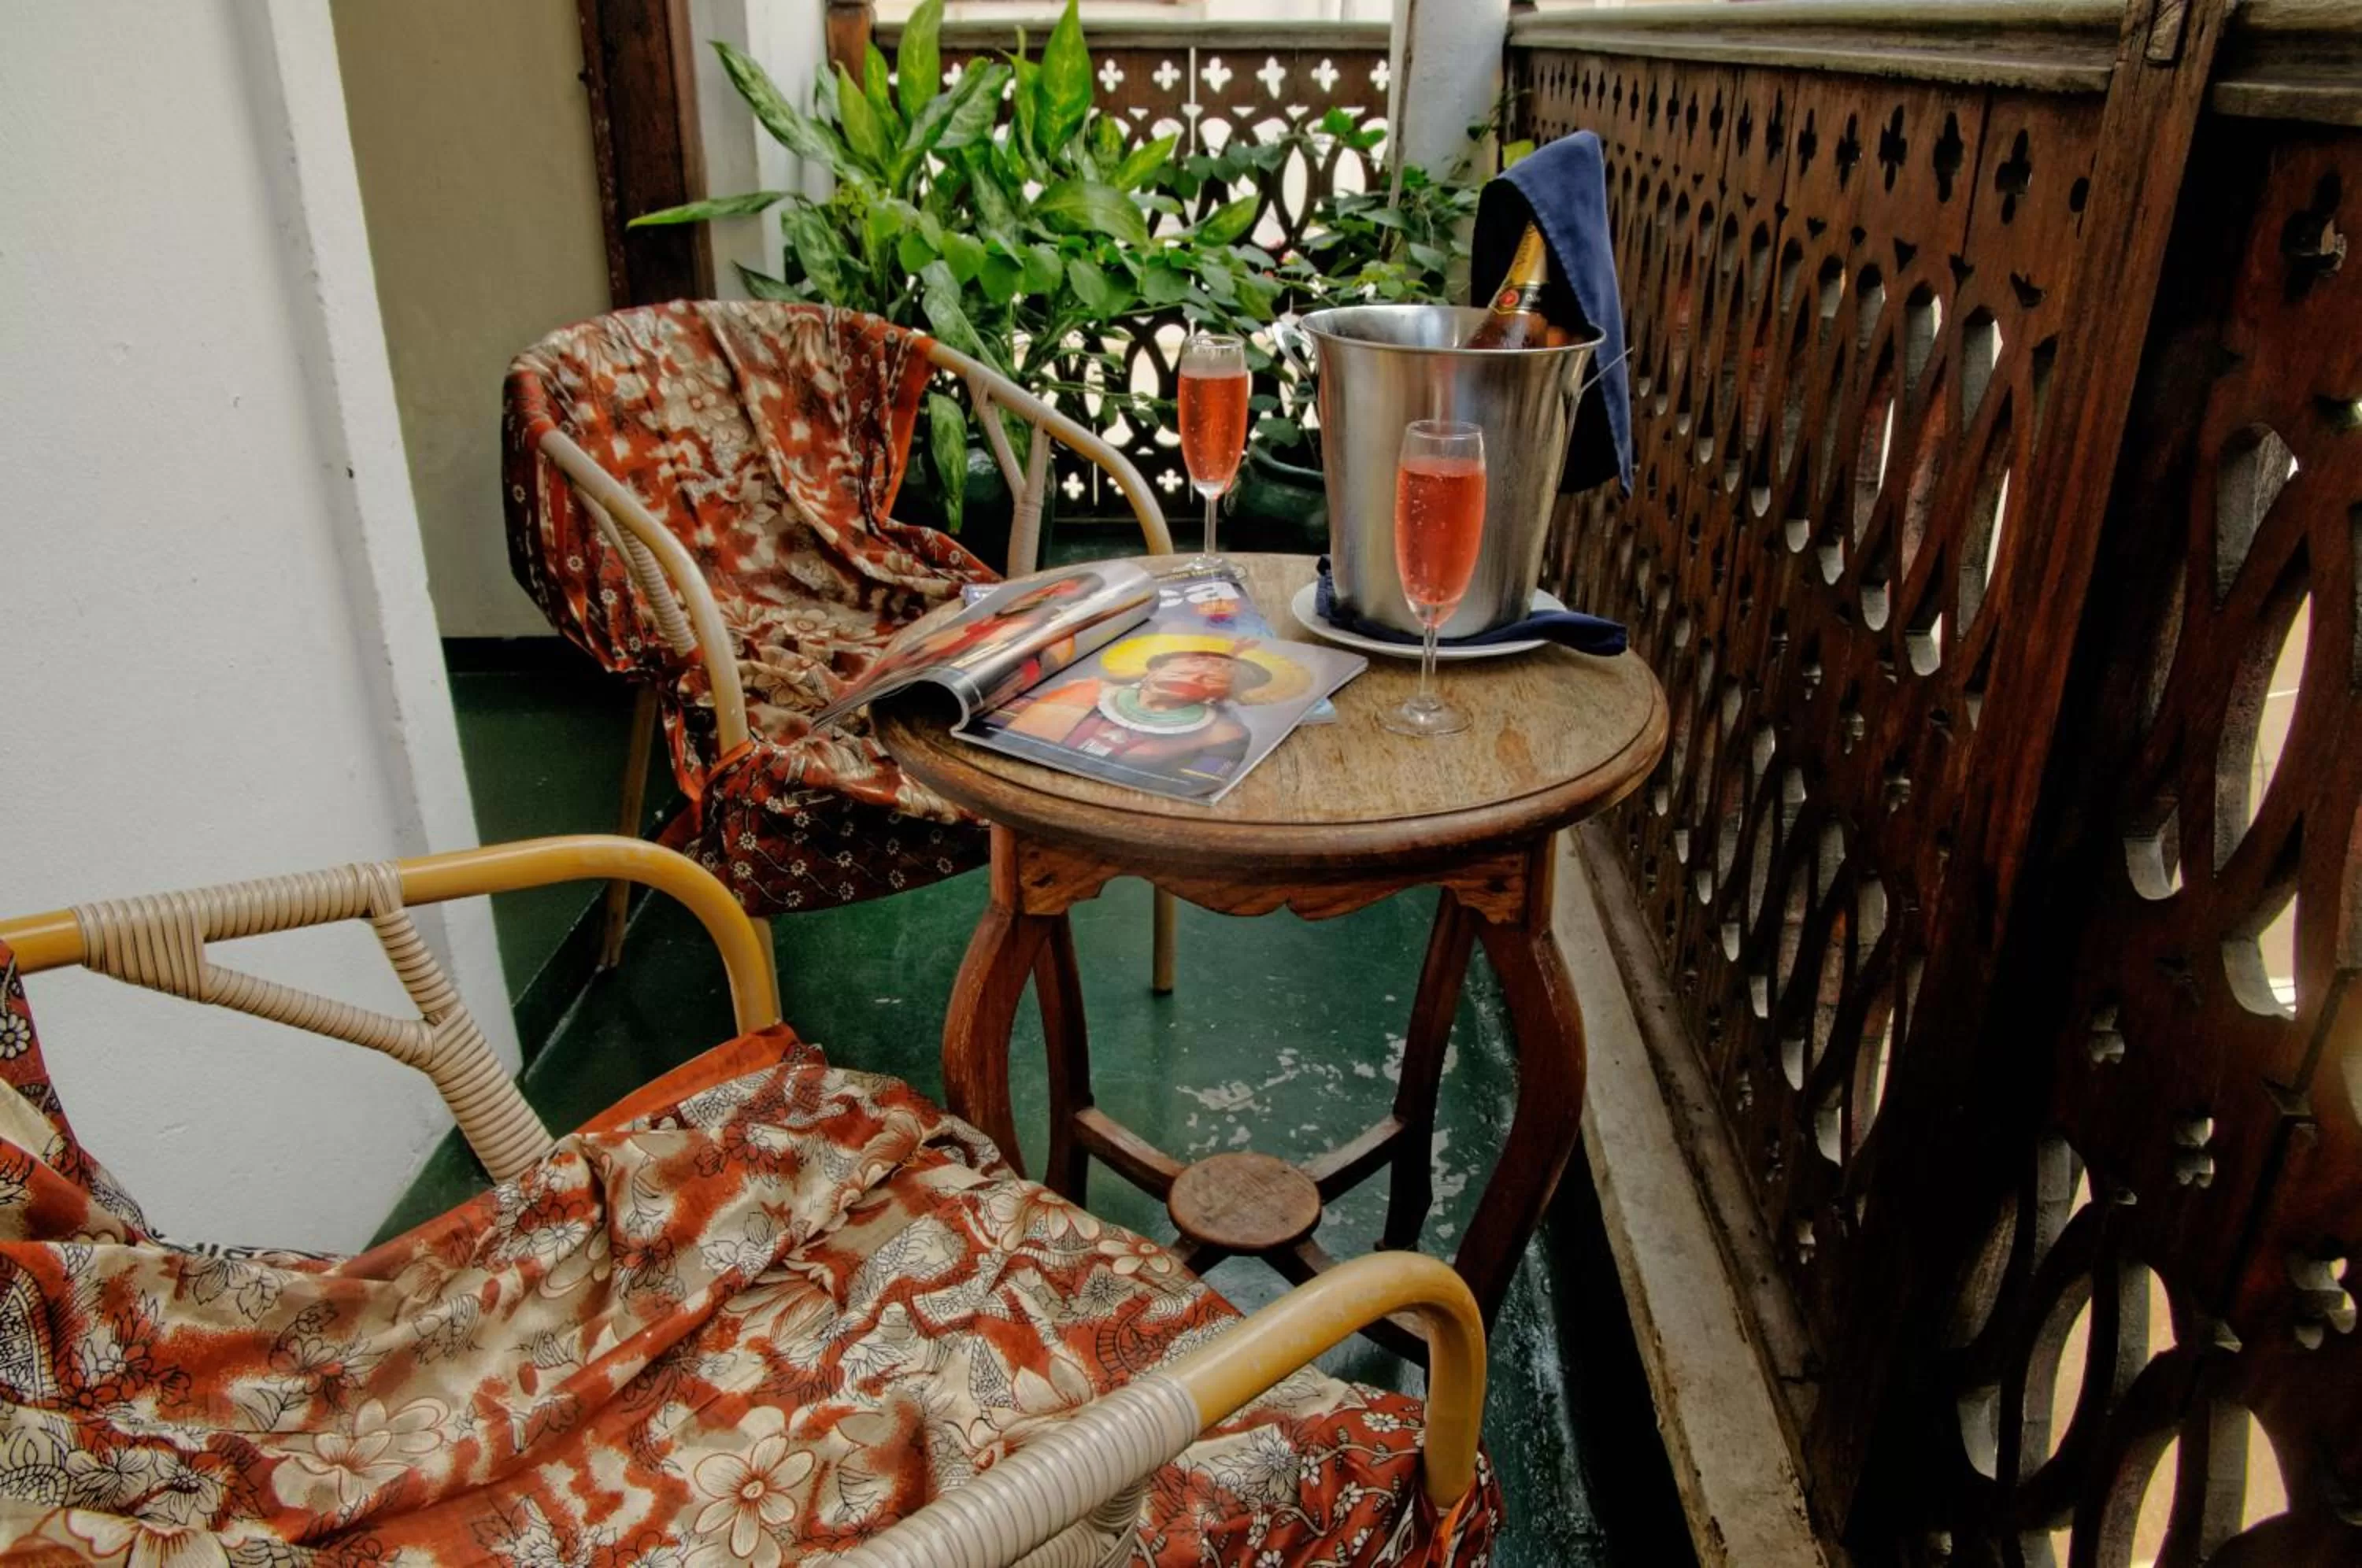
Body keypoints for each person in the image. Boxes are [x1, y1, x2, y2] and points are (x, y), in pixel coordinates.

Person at [1001, 642, 1274, 782]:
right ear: (1156, 666)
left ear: (1226, 693)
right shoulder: (1083, 690)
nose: (1200, 675)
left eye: (1222, 676)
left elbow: (1195, 792)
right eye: (1196, 662)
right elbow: (1010, 746)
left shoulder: (1225, 735)